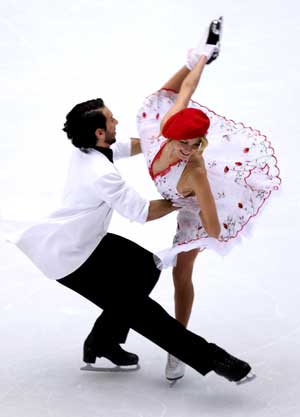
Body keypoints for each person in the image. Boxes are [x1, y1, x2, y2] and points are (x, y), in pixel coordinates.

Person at [7, 96, 255, 386]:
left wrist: (164, 139)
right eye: (111, 119)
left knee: (145, 266)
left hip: (85, 240)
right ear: (99, 132)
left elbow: (128, 145)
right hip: (71, 260)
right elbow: (143, 212)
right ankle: (219, 362)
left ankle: (102, 342)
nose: (116, 122)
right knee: (144, 314)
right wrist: (182, 200)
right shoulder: (101, 174)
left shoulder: (90, 148)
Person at [137, 17, 281, 381]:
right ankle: (202, 52)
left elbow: (215, 230)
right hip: (172, 176)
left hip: (194, 211)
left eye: (194, 143)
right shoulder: (165, 128)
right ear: (168, 136)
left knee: (181, 275)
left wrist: (193, 208)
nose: (187, 150)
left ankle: (177, 346)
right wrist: (200, 63)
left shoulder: (196, 171)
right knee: (163, 95)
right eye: (182, 143)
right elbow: (187, 88)